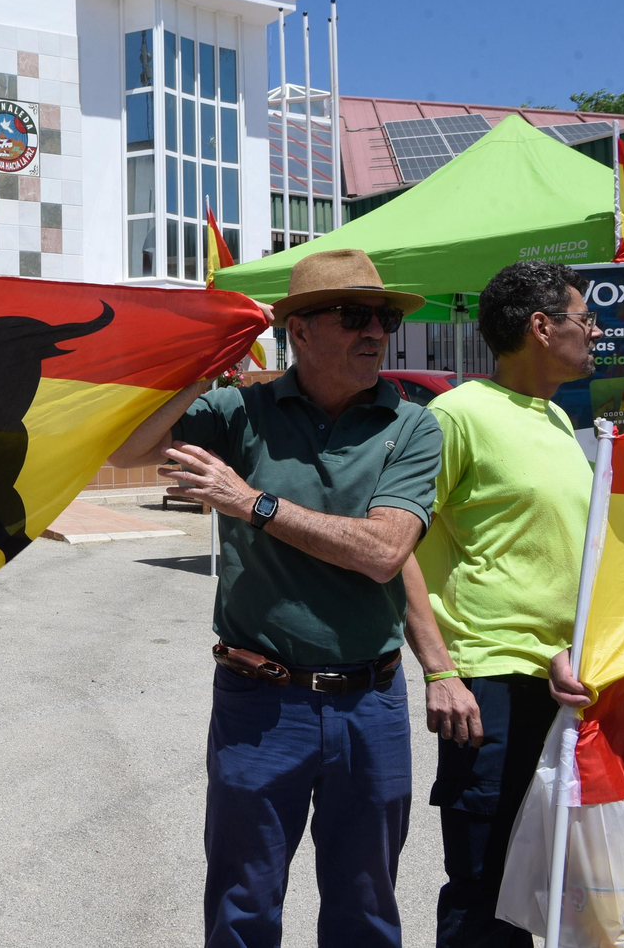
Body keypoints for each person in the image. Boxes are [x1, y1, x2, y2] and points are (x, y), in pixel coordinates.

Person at [109, 247, 442, 948]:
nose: (376, 332)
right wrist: (204, 365)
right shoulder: (241, 411)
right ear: (300, 330)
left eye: (382, 317)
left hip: (369, 705)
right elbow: (130, 448)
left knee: (365, 907)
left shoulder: (412, 425)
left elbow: (384, 554)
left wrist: (251, 502)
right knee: (243, 902)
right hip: (260, 700)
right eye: (355, 316)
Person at [404, 260, 603, 947]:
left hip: (566, 686)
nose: (596, 332)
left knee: (544, 890)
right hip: (491, 686)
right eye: (585, 319)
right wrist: (440, 671)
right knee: (486, 893)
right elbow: (394, 545)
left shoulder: (555, 417)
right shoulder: (456, 415)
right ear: (541, 328)